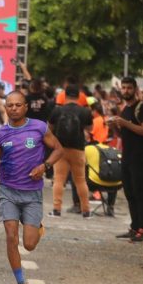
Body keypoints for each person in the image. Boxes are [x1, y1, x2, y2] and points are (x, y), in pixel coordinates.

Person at [0, 91, 64, 284]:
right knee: (11, 237)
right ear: (5, 108)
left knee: (29, 244)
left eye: (18, 105)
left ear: (25, 107)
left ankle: (36, 227)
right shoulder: (1, 134)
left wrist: (45, 166)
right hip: (8, 191)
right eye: (10, 105)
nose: (13, 108)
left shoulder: (39, 127)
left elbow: (59, 150)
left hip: (32, 193)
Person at [110, 77, 143, 242]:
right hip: (127, 156)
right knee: (129, 192)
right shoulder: (125, 109)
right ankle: (134, 226)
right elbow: (124, 134)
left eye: (129, 88)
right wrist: (115, 126)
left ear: (135, 89)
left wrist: (124, 123)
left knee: (139, 192)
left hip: (140, 157)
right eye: (124, 88)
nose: (126, 91)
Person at [47, 84, 93, 218]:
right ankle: (86, 210)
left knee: (59, 180)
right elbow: (90, 128)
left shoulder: (57, 110)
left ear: (65, 95)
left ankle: (56, 209)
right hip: (78, 149)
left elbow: (49, 128)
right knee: (80, 180)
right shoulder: (85, 112)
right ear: (79, 96)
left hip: (60, 150)